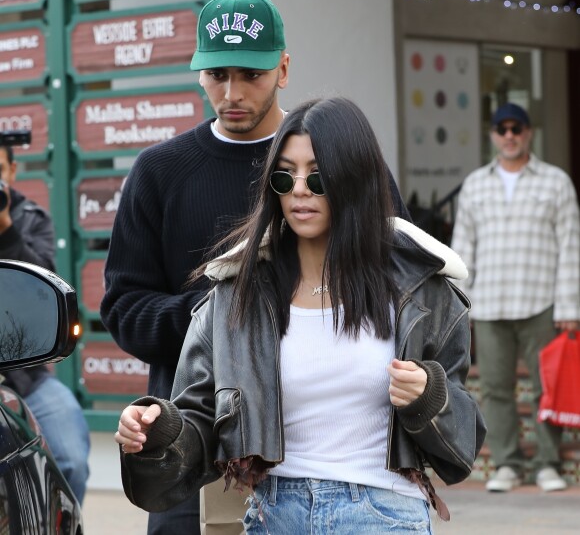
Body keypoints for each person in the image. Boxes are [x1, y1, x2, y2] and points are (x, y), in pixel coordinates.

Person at [101, 0, 412, 534]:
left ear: (284, 68)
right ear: (198, 72)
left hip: (340, 456)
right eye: (217, 74)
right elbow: (125, 310)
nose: (232, 92)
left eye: (251, 73)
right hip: (195, 438)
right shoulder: (159, 171)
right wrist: (225, 313)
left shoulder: (350, 163)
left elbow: (408, 288)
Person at [114, 96, 486, 534]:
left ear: (354, 178)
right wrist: (155, 428)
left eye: (318, 175)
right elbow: (199, 419)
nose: (300, 189)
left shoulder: (419, 290)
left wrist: (429, 395)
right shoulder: (237, 294)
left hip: (383, 514)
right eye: (285, 176)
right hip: (275, 515)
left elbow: (462, 443)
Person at [451, 102, 580, 493]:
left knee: (546, 386)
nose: (510, 135)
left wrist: (569, 306)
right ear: (493, 135)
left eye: (517, 128)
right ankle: (507, 462)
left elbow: (570, 245)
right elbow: (462, 249)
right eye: (502, 129)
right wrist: (459, 304)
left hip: (541, 302)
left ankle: (546, 463)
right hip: (489, 303)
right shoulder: (475, 184)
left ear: (529, 133)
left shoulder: (556, 181)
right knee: (494, 388)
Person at [0, 142, 91, 504]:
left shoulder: (30, 218)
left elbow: (44, 288)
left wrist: (6, 229)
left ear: (12, 171)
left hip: (26, 374)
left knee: (70, 461)